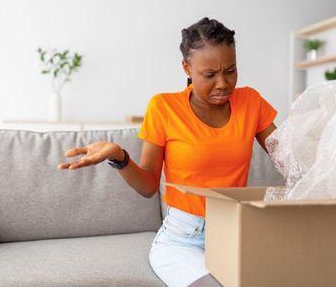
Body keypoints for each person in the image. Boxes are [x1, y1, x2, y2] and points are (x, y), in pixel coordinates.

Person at [57, 17, 277, 287]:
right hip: (182, 239)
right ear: (187, 67)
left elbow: (288, 157)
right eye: (209, 74)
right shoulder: (164, 107)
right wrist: (120, 157)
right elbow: (149, 185)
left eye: (230, 71)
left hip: (236, 233)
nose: (222, 83)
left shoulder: (251, 102)